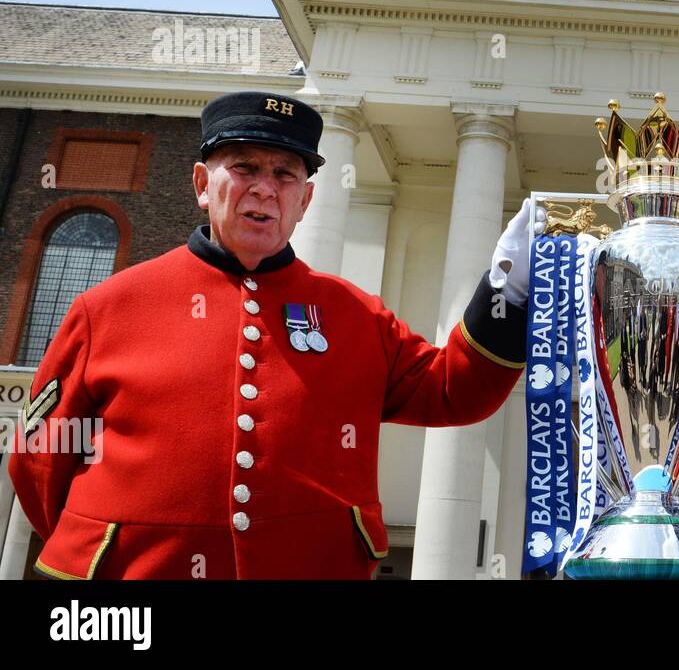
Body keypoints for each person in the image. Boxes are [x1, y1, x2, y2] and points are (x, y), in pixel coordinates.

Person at [9, 91, 542, 579]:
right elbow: (41, 460)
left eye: (285, 175)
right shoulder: (108, 307)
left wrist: (507, 290)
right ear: (202, 184)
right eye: (244, 167)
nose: (265, 188)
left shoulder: (354, 314)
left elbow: (453, 389)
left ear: (305, 201)